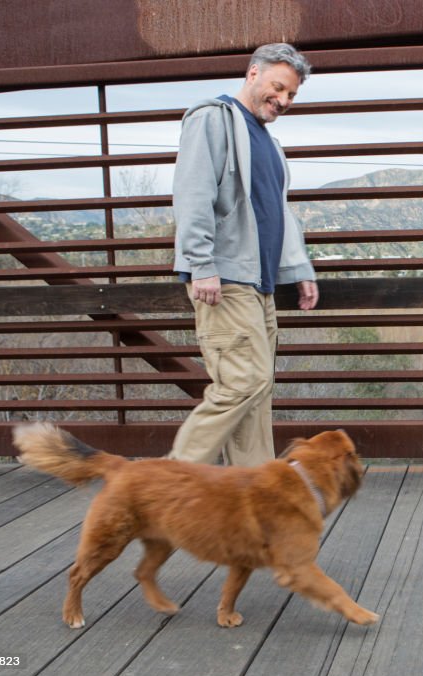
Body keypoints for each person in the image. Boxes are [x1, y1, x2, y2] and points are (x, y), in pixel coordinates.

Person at [169, 43, 318, 466]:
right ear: (253, 74)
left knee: (257, 393)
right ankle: (170, 482)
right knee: (241, 384)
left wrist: (298, 269)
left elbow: (277, 212)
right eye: (278, 87)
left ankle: (255, 497)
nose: (284, 101)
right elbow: (192, 194)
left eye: (291, 95)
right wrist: (201, 264)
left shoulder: (268, 143)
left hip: (261, 285)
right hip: (226, 280)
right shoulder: (212, 119)